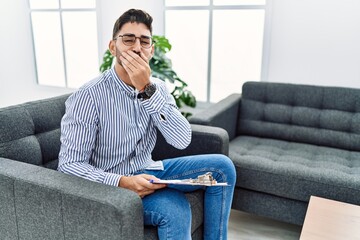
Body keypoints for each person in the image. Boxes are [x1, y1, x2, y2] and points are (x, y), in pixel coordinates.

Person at [58, 8, 236, 240]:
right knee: (176, 209)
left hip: (149, 170)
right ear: (113, 47)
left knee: (223, 168)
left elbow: (181, 140)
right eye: (128, 39)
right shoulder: (88, 96)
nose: (136, 48)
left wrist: (146, 90)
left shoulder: (158, 88)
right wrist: (122, 181)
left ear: (151, 50)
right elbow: (69, 165)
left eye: (144, 41)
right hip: (112, 183)